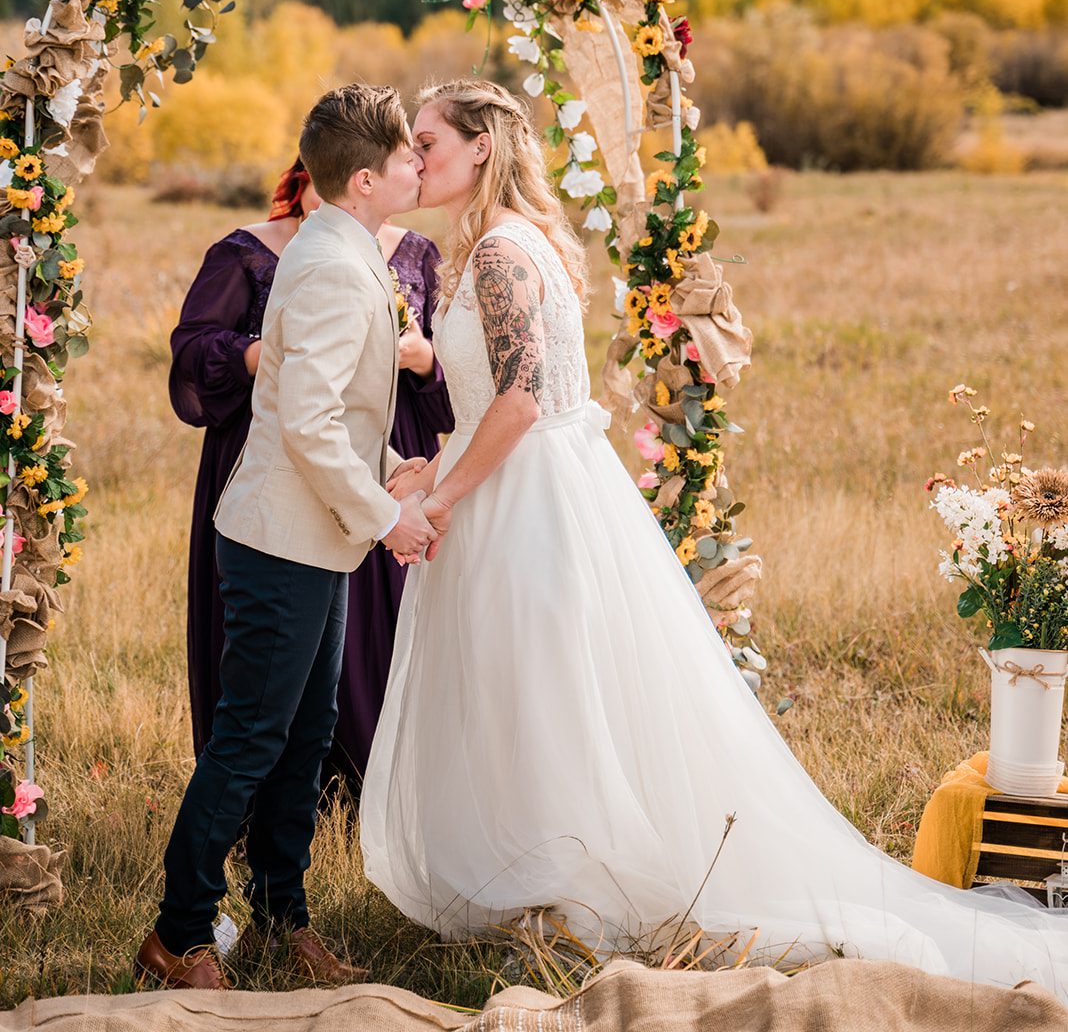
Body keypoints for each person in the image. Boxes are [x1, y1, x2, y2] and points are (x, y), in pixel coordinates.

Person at [361, 78, 1068, 1004]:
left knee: (541, 687)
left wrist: (445, 499)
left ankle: (567, 894)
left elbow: (526, 399)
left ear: (482, 146)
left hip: (526, 503)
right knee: (524, 687)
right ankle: (537, 886)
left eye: (428, 140)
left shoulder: (498, 252)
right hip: (523, 486)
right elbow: (497, 393)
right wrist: (431, 466)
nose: (416, 158)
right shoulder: (497, 246)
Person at [137, 84, 436, 991]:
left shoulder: (331, 247)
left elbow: (318, 408)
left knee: (304, 738)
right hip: (279, 544)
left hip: (314, 540)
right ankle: (178, 934)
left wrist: (389, 465)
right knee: (250, 740)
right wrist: (390, 518)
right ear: (362, 181)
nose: (419, 168)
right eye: (405, 160)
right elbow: (305, 426)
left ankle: (282, 916)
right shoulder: (341, 267)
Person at [170, 156, 452, 787]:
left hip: (382, 449)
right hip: (277, 451)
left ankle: (369, 784)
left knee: (366, 634)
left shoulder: (418, 255)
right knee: (272, 653)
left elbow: (455, 384)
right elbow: (192, 353)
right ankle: (246, 804)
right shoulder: (250, 253)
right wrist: (263, 355)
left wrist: (421, 357)